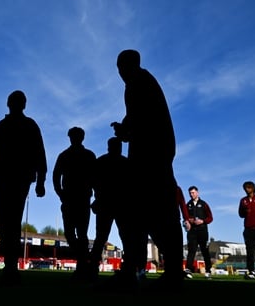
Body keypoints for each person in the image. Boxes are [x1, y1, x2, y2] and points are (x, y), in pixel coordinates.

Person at [107, 49, 183, 292]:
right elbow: (137, 118)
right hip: (153, 155)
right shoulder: (143, 82)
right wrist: (126, 129)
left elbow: (140, 119)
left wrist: (126, 131)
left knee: (146, 212)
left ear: (128, 65)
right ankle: (149, 269)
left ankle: (141, 270)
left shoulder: (138, 83)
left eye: (121, 67)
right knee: (148, 212)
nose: (120, 73)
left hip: (151, 157)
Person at [0, 90, 47, 286]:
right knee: (6, 223)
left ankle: (11, 267)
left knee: (10, 223)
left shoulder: (24, 125)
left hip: (15, 179)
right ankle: (11, 266)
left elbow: (38, 154)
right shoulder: (6, 126)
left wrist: (41, 180)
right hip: (5, 179)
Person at [52, 126, 96, 281]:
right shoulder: (66, 155)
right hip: (71, 198)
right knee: (71, 234)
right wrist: (60, 193)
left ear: (80, 138)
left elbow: (95, 178)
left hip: (81, 198)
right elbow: (56, 176)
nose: (74, 139)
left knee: (80, 234)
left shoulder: (88, 155)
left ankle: (82, 265)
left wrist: (95, 195)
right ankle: (84, 262)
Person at [88, 137, 131, 281]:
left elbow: (93, 182)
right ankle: (128, 268)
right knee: (124, 237)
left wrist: (98, 198)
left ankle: (93, 268)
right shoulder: (125, 163)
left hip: (108, 204)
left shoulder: (101, 161)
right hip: (120, 204)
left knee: (101, 237)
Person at [184, 186, 214, 279]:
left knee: (205, 251)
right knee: (191, 250)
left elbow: (210, 217)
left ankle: (208, 271)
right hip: (192, 231)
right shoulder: (188, 205)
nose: (191, 194)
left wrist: (203, 221)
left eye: (193, 192)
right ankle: (188, 270)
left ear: (197, 193)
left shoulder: (204, 204)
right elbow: (185, 217)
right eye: (190, 193)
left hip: (202, 230)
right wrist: (188, 221)